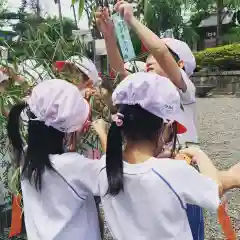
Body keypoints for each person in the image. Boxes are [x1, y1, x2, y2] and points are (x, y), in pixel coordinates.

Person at [95, 2, 202, 238]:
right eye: (149, 55)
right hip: (156, 175)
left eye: (155, 54)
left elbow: (163, 54)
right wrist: (110, 36)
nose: (151, 58)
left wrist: (131, 20)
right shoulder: (151, 89)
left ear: (180, 64)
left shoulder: (183, 88)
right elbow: (120, 69)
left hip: (181, 173)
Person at [97, 72, 222, 240]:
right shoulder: (174, 172)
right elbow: (214, 190)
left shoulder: (104, 167)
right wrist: (198, 154)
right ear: (166, 126)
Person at [6, 79, 105, 240]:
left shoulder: (28, 155)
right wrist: (104, 134)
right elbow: (115, 176)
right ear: (66, 133)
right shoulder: (73, 165)